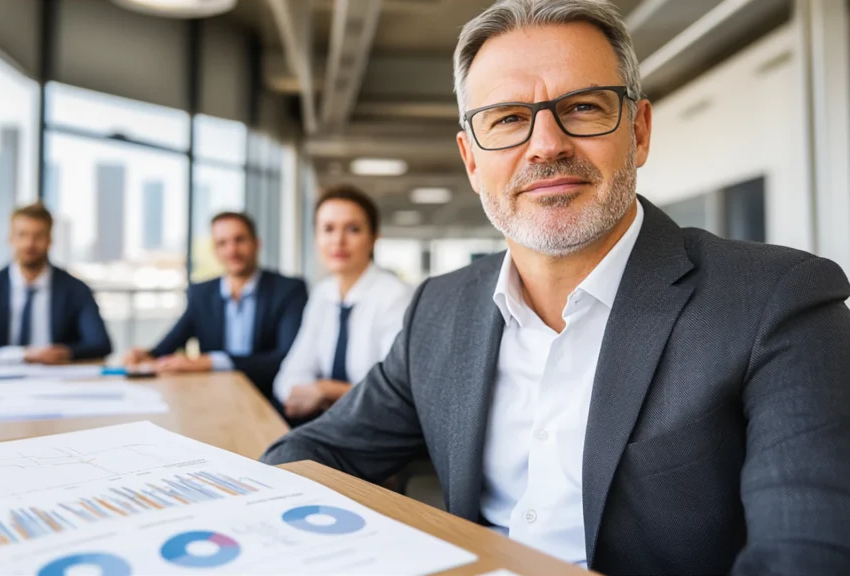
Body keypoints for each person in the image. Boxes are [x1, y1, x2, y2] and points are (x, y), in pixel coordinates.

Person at [262, 1, 850, 574]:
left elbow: (808, 552)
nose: (546, 144)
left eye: (584, 107)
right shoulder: (439, 309)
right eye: (510, 118)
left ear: (638, 132)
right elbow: (313, 456)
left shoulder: (777, 300)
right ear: (471, 160)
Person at [124, 212, 308, 405]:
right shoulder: (201, 293)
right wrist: (145, 355)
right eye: (222, 243)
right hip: (213, 397)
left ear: (257, 243)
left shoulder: (289, 290)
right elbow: (168, 346)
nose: (232, 250)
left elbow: (287, 357)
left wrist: (212, 362)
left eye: (240, 240)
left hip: (267, 398)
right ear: (215, 250)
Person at [273, 185, 412, 424]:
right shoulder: (322, 294)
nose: (338, 240)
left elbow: (394, 393)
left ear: (374, 238)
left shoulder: (397, 297)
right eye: (328, 229)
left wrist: (326, 390)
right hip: (329, 425)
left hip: (379, 431)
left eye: (353, 229)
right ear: (316, 237)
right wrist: (312, 394)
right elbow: (288, 376)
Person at [0, 202, 112, 364]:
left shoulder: (75, 289)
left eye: (38, 236)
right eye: (22, 235)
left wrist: (64, 352)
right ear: (10, 239)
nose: (30, 244)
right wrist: (19, 355)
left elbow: (101, 344)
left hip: (58, 380)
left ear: (50, 240)